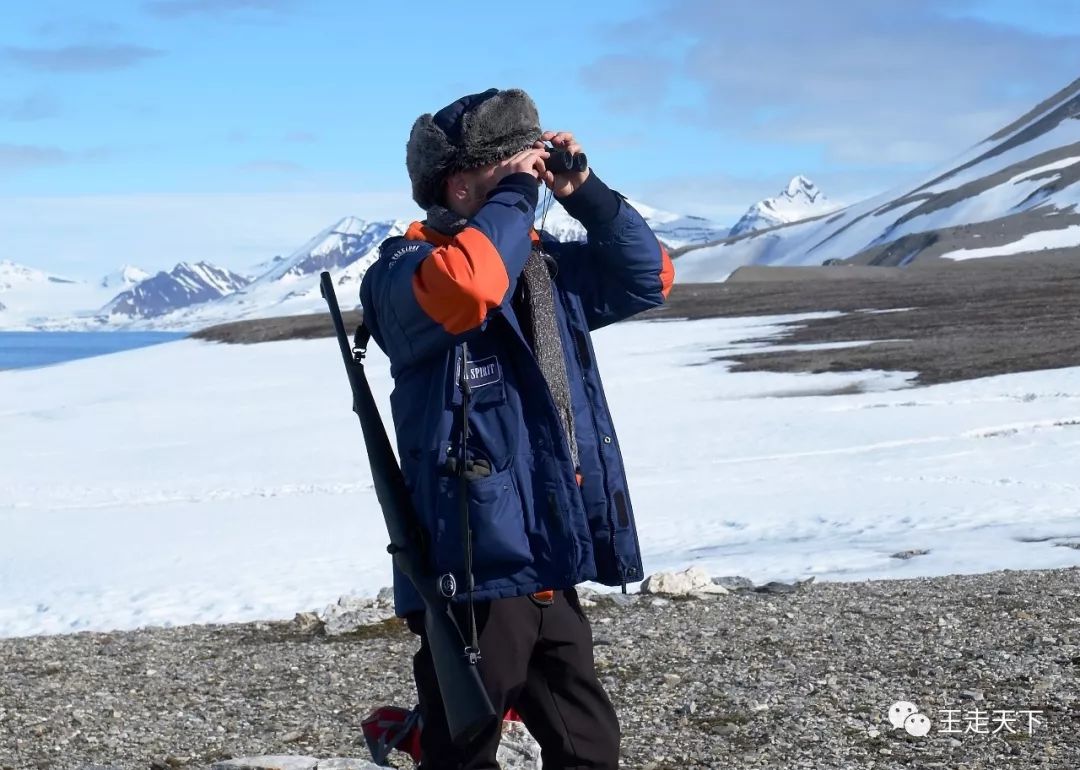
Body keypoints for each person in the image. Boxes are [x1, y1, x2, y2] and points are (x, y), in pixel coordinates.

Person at [359, 87, 674, 769]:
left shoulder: (542, 268)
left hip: (548, 553)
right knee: (463, 749)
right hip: (472, 566)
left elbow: (651, 276)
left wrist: (585, 193)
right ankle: (407, 736)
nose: (528, 184)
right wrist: (514, 195)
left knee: (590, 747)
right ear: (460, 184)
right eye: (509, 170)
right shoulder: (401, 273)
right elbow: (471, 287)